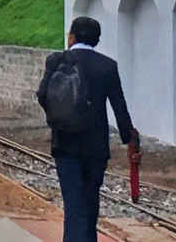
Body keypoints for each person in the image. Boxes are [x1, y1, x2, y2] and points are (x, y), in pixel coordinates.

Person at [36, 16, 137, 242]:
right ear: (97, 40)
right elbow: (119, 105)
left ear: (71, 37)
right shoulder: (107, 66)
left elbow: (43, 95)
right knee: (90, 203)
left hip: (65, 144)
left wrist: (57, 117)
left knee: (73, 204)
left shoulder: (56, 60)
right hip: (95, 148)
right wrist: (128, 137)